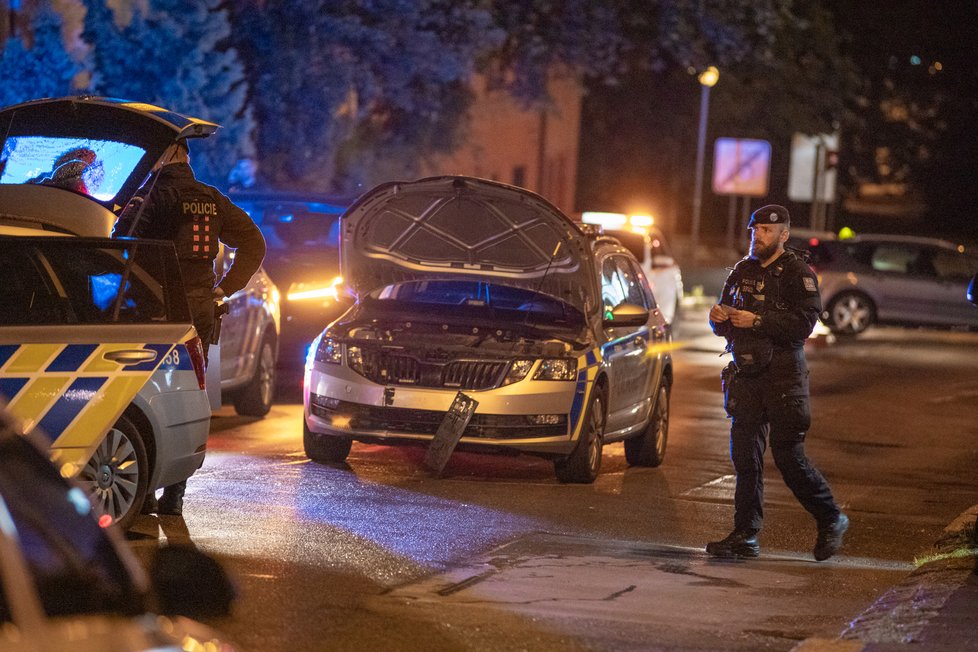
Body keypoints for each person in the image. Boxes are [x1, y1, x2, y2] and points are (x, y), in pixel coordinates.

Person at [115, 139, 266, 516]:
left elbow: (120, 244)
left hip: (156, 310)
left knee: (146, 394)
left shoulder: (154, 197)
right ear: (186, 155)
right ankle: (176, 493)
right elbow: (254, 242)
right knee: (195, 394)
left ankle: (146, 489)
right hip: (201, 310)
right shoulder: (210, 198)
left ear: (165, 154)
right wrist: (224, 288)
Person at [706, 204, 848, 561]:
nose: (758, 236)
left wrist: (757, 321)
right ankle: (745, 534)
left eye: (767, 231)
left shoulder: (797, 272)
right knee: (745, 458)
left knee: (788, 456)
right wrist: (719, 318)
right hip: (748, 376)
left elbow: (803, 325)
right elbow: (727, 319)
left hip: (784, 378)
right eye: (755, 230)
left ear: (783, 235)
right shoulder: (742, 270)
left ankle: (831, 518)